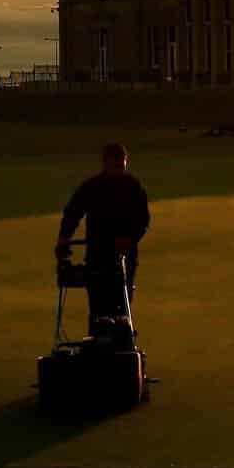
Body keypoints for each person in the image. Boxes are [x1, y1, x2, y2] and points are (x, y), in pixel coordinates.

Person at [56, 142, 150, 334]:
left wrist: (130, 239)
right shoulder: (92, 187)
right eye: (115, 165)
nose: (118, 169)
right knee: (98, 310)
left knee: (122, 309)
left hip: (124, 257)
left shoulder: (133, 188)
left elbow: (143, 220)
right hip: (97, 257)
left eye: (121, 165)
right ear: (105, 163)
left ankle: (121, 345)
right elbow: (73, 212)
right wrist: (64, 237)